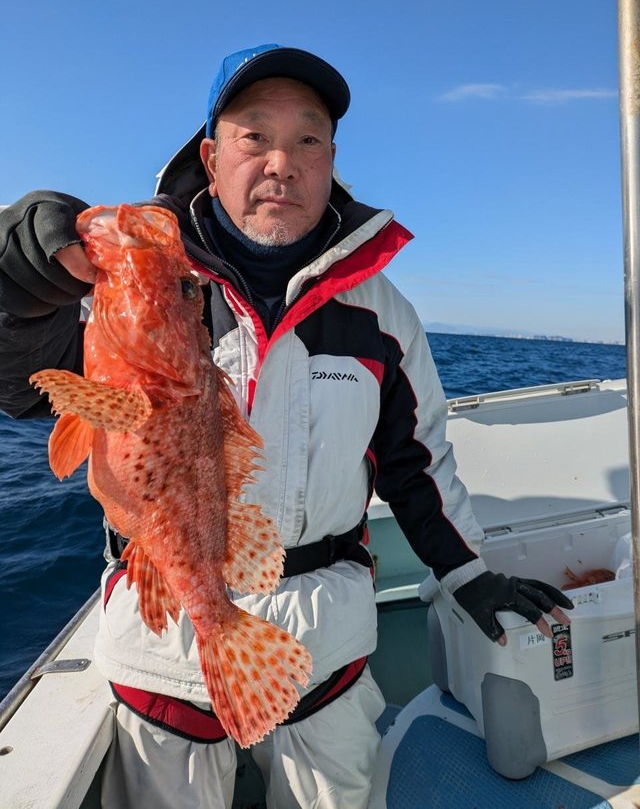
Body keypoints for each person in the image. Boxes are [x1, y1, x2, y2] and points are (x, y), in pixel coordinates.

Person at [0, 44, 573, 808]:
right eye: (255, 137)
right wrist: (17, 288)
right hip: (159, 647)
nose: (282, 163)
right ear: (211, 159)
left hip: (326, 646)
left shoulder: (382, 312)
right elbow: (23, 390)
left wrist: (467, 573)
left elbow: (418, 463)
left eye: (308, 139)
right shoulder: (144, 280)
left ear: (331, 161)